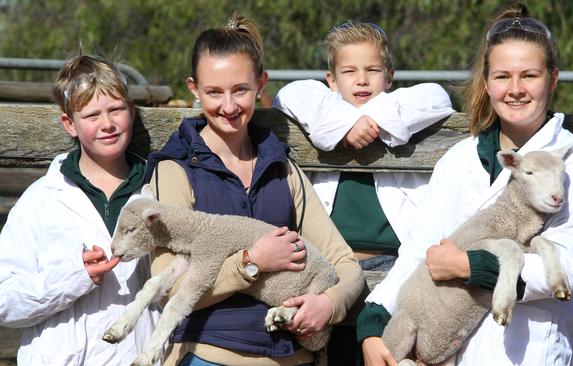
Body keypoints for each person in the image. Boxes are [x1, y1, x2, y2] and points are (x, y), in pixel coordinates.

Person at [358, 3, 573, 366]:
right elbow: (419, 251)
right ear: (487, 82)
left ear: (552, 79)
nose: (516, 89)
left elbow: (563, 267)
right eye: (503, 76)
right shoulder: (459, 160)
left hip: (528, 355)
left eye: (530, 76)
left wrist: (467, 265)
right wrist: (373, 323)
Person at [145, 15, 364, 366]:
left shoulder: (281, 167)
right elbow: (168, 287)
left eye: (240, 90)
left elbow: (346, 263)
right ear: (193, 88)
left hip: (292, 357)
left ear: (260, 84)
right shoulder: (175, 171)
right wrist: (251, 264)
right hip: (208, 355)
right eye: (214, 92)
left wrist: (328, 305)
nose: (228, 106)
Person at [273, 20, 454, 366]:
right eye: (349, 71)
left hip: (393, 266)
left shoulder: (403, 107)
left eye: (373, 70)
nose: (361, 79)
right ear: (331, 80)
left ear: (389, 77)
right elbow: (290, 94)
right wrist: (345, 125)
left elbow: (438, 96)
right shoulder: (321, 108)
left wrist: (367, 119)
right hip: (329, 268)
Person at [0, 53, 158, 365]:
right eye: (92, 116)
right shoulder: (41, 200)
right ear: (69, 124)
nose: (108, 124)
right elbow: (4, 300)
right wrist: (74, 276)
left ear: (132, 111)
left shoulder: (158, 189)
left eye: (116, 110)